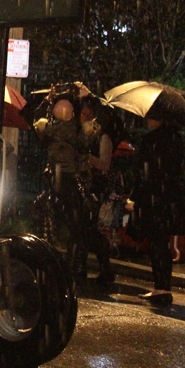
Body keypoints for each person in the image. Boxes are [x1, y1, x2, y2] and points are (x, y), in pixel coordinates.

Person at [130, 112, 185, 307]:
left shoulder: (151, 140)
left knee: (156, 243)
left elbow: (142, 171)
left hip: (154, 198)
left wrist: (135, 195)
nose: (148, 121)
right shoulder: (176, 139)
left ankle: (160, 287)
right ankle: (164, 286)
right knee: (162, 242)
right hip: (169, 197)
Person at [33, 95, 92, 280]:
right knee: (76, 226)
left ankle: (47, 264)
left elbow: (33, 119)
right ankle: (72, 266)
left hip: (52, 180)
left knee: (46, 224)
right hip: (71, 181)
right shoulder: (78, 133)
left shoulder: (47, 131)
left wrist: (46, 102)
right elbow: (86, 148)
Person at [79, 97, 115, 285]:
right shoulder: (82, 136)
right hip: (85, 186)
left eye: (89, 115)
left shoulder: (103, 137)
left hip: (97, 188)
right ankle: (82, 267)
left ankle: (105, 265)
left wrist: (89, 159)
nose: (85, 118)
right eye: (83, 114)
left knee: (91, 228)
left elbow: (104, 164)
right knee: (83, 227)